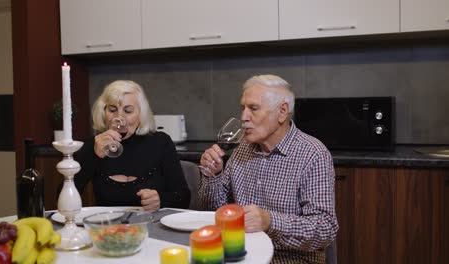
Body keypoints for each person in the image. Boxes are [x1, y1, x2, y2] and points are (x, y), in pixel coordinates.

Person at [199, 75, 338, 263]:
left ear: (282, 112)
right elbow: (213, 210)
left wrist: (270, 222)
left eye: (253, 109)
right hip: (243, 255)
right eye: (243, 108)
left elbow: (324, 229)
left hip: (290, 259)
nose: (243, 117)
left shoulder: (313, 154)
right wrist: (213, 175)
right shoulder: (242, 149)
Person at [73, 80, 190, 212]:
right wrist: (92, 156)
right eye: (112, 110)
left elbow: (184, 197)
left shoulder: (160, 142)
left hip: (151, 225)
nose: (119, 118)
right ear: (103, 113)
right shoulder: (94, 144)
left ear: (140, 114)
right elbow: (63, 198)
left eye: (128, 111)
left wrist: (160, 200)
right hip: (107, 227)